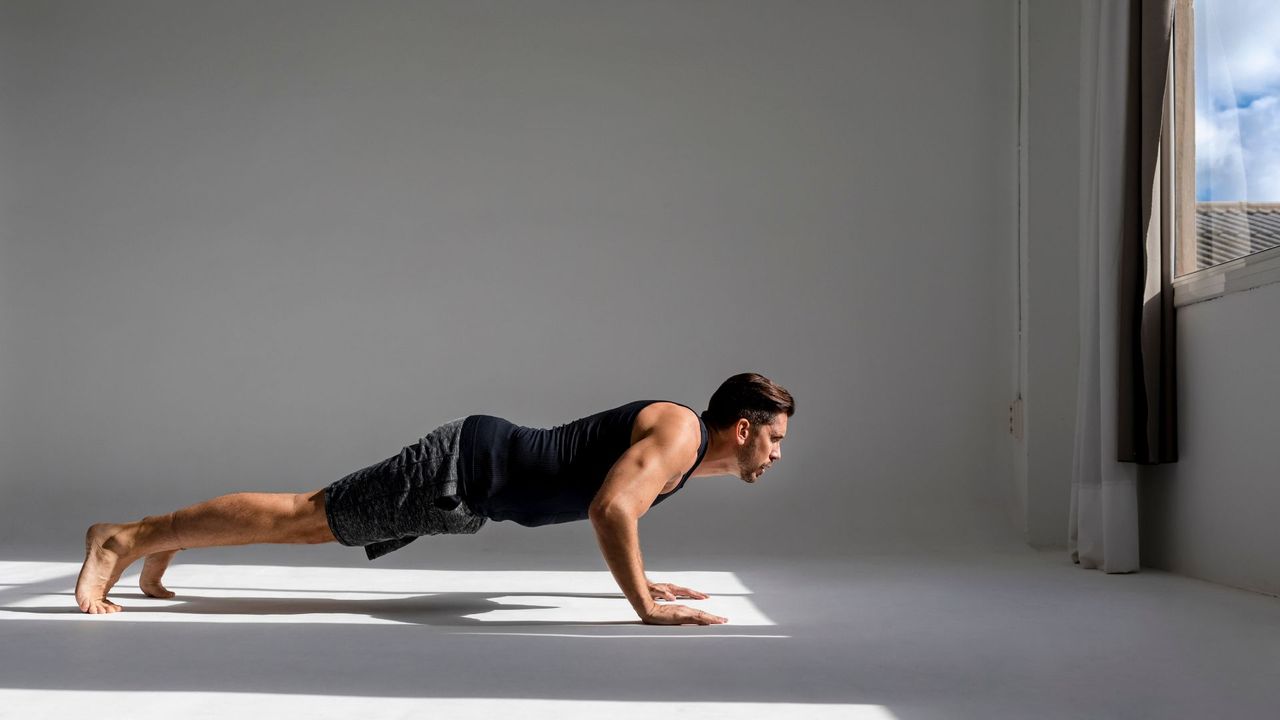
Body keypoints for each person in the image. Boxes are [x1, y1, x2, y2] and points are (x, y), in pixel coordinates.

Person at [74, 372, 794, 625]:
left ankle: (155, 542)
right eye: (776, 440)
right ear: (743, 428)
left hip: (468, 494)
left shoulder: (688, 450)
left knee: (311, 526)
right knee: (305, 519)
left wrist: (644, 576)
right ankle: (123, 536)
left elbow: (620, 504)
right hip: (462, 467)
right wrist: (644, 604)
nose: (777, 454)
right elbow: (610, 508)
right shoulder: (677, 431)